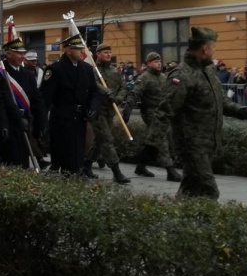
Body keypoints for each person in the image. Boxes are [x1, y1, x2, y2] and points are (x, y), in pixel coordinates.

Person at [152, 27, 247, 200]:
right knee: (209, 191)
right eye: (213, 47)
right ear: (205, 48)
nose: (214, 51)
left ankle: (177, 220)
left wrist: (240, 111)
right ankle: (209, 225)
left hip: (208, 142)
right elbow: (165, 110)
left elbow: (219, 100)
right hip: (192, 145)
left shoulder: (208, 71)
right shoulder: (182, 74)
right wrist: (152, 143)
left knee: (190, 188)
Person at [40, 34, 101, 177]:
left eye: (82, 49)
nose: (82, 52)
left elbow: (95, 92)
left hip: (80, 118)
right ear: (67, 50)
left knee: (79, 150)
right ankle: (68, 174)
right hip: (62, 118)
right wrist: (42, 122)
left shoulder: (86, 69)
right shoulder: (55, 70)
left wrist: (94, 107)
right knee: (65, 152)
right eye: (78, 49)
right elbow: (45, 98)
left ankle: (77, 173)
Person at [0, 37, 47, 169]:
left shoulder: (28, 74)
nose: (23, 56)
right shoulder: (0, 74)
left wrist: (40, 123)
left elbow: (37, 99)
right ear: (8, 54)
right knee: (10, 163)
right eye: (19, 53)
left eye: (23, 53)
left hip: (25, 124)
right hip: (8, 124)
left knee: (23, 161)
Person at [86, 44, 130, 183]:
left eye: (110, 52)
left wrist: (119, 98)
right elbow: (94, 85)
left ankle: (86, 165)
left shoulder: (114, 71)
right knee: (107, 140)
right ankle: (116, 172)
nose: (108, 55)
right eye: (105, 52)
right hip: (98, 110)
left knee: (100, 140)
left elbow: (123, 87)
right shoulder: (93, 70)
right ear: (98, 54)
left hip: (111, 110)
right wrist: (107, 92)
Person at [134, 52, 182, 182]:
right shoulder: (144, 77)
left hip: (163, 112)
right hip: (150, 112)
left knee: (154, 140)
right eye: (155, 61)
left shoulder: (163, 77)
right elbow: (135, 93)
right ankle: (170, 170)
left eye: (159, 61)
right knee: (161, 139)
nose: (159, 63)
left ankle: (141, 166)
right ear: (148, 63)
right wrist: (127, 110)